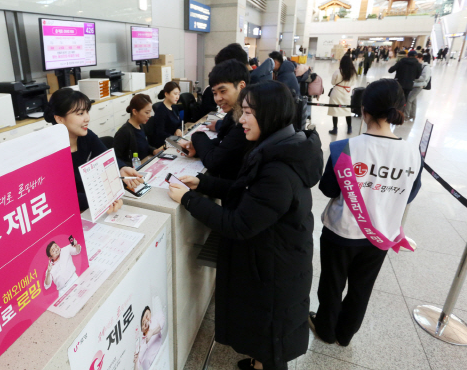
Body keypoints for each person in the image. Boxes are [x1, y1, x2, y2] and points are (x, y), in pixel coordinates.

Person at [168, 81, 323, 370]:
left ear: (270, 114)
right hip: (272, 257)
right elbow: (247, 192)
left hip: (275, 267)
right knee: (263, 332)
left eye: (249, 112)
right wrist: (204, 183)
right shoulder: (278, 147)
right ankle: (258, 362)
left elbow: (239, 224)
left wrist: (190, 200)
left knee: (271, 335)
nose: (241, 119)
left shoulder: (278, 169)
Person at [309, 78, 422, 347]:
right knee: (362, 288)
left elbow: (327, 189)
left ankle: (325, 329)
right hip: (381, 236)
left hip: (341, 231)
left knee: (332, 285)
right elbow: (411, 193)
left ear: (363, 109)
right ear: (400, 109)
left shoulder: (344, 149)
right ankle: (345, 334)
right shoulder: (412, 152)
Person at [44, 88, 143, 212]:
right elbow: (60, 196)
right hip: (70, 212)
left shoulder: (86, 136)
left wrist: (121, 168)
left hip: (93, 206)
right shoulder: (49, 152)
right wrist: (100, 199)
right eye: (80, 113)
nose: (87, 118)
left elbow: (107, 157)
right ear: (59, 119)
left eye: (87, 112)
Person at [184, 60, 249, 180]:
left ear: (241, 87)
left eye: (223, 91)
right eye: (214, 93)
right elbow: (224, 146)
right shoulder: (234, 112)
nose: (218, 99)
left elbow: (214, 162)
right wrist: (197, 148)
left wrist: (197, 136)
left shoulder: (246, 121)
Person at [114, 94, 160, 165]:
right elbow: (117, 159)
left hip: (145, 163)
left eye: (150, 112)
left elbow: (144, 145)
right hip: (134, 170)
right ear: (135, 111)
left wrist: (153, 150)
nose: (149, 116)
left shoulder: (141, 125)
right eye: (147, 112)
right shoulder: (124, 132)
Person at [328, 55, 356, 135]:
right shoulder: (353, 72)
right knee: (347, 110)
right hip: (346, 93)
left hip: (337, 92)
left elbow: (333, 82)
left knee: (335, 110)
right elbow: (353, 83)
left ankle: (335, 129)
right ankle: (349, 128)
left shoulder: (338, 71)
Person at [150, 82, 183, 148]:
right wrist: (174, 138)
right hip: (165, 144)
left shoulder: (174, 108)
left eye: (178, 94)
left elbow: (180, 123)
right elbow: (160, 133)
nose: (177, 97)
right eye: (175, 94)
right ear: (166, 94)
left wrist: (179, 129)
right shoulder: (161, 110)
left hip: (175, 141)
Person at [133, 302, 165, 370]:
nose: (146, 320)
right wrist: (136, 360)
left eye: (147, 315)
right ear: (141, 329)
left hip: (162, 357)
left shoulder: (155, 319)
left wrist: (152, 332)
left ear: (150, 313)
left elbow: (161, 323)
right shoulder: (141, 344)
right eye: (143, 322)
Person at [406, 52, 431, 120]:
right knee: (413, 100)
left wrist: (413, 78)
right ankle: (412, 115)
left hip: (419, 86)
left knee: (409, 99)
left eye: (417, 59)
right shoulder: (418, 66)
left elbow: (424, 77)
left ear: (421, 58)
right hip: (414, 85)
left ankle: (406, 115)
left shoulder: (426, 67)